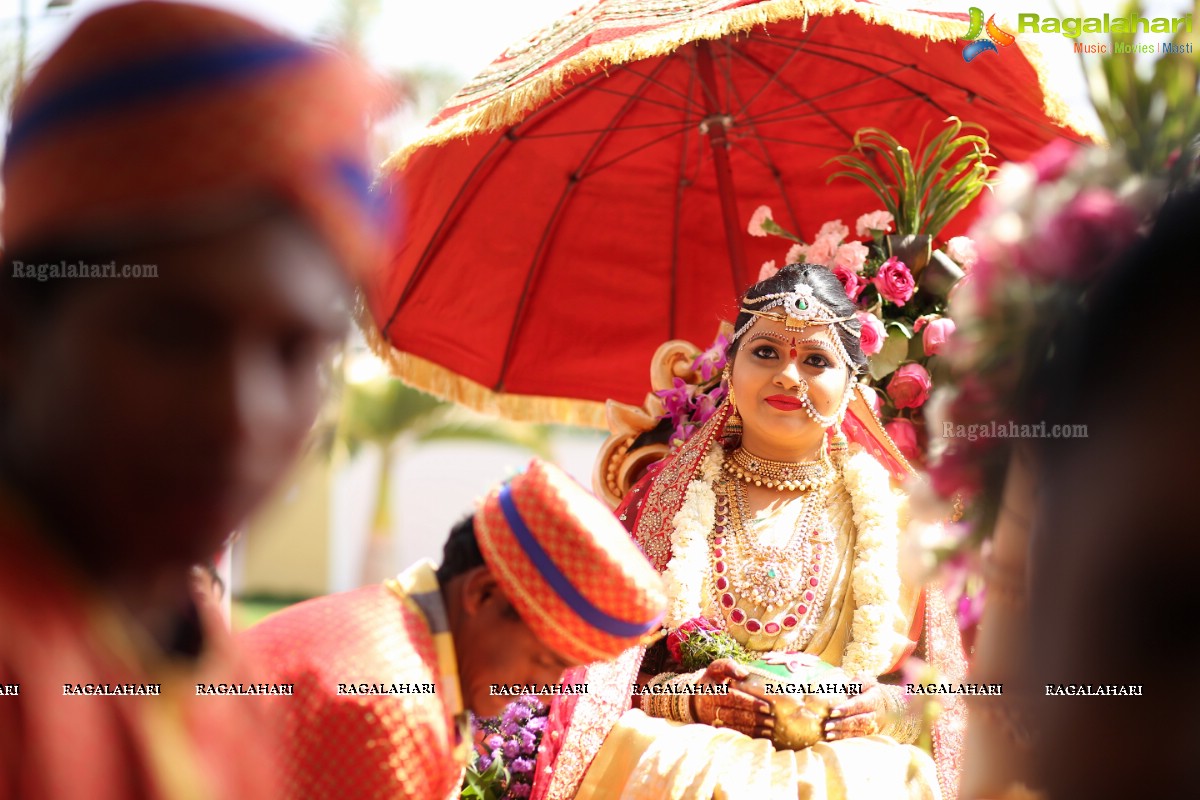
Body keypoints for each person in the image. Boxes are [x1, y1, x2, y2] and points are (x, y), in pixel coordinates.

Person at [0, 3, 383, 797]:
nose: (241, 415)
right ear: (16, 329)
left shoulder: (189, 640)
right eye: (171, 334)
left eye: (297, 352)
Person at [532, 264, 967, 800]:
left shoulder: (899, 518)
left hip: (848, 767)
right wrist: (692, 700)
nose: (788, 375)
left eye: (815, 360)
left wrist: (876, 708)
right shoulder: (668, 501)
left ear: (851, 383)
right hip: (686, 753)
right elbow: (605, 682)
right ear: (731, 369)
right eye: (766, 352)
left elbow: (943, 700)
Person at [239, 457, 668, 800]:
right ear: (482, 594)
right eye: (545, 660)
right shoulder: (396, 707)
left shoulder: (382, 619)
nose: (544, 686)